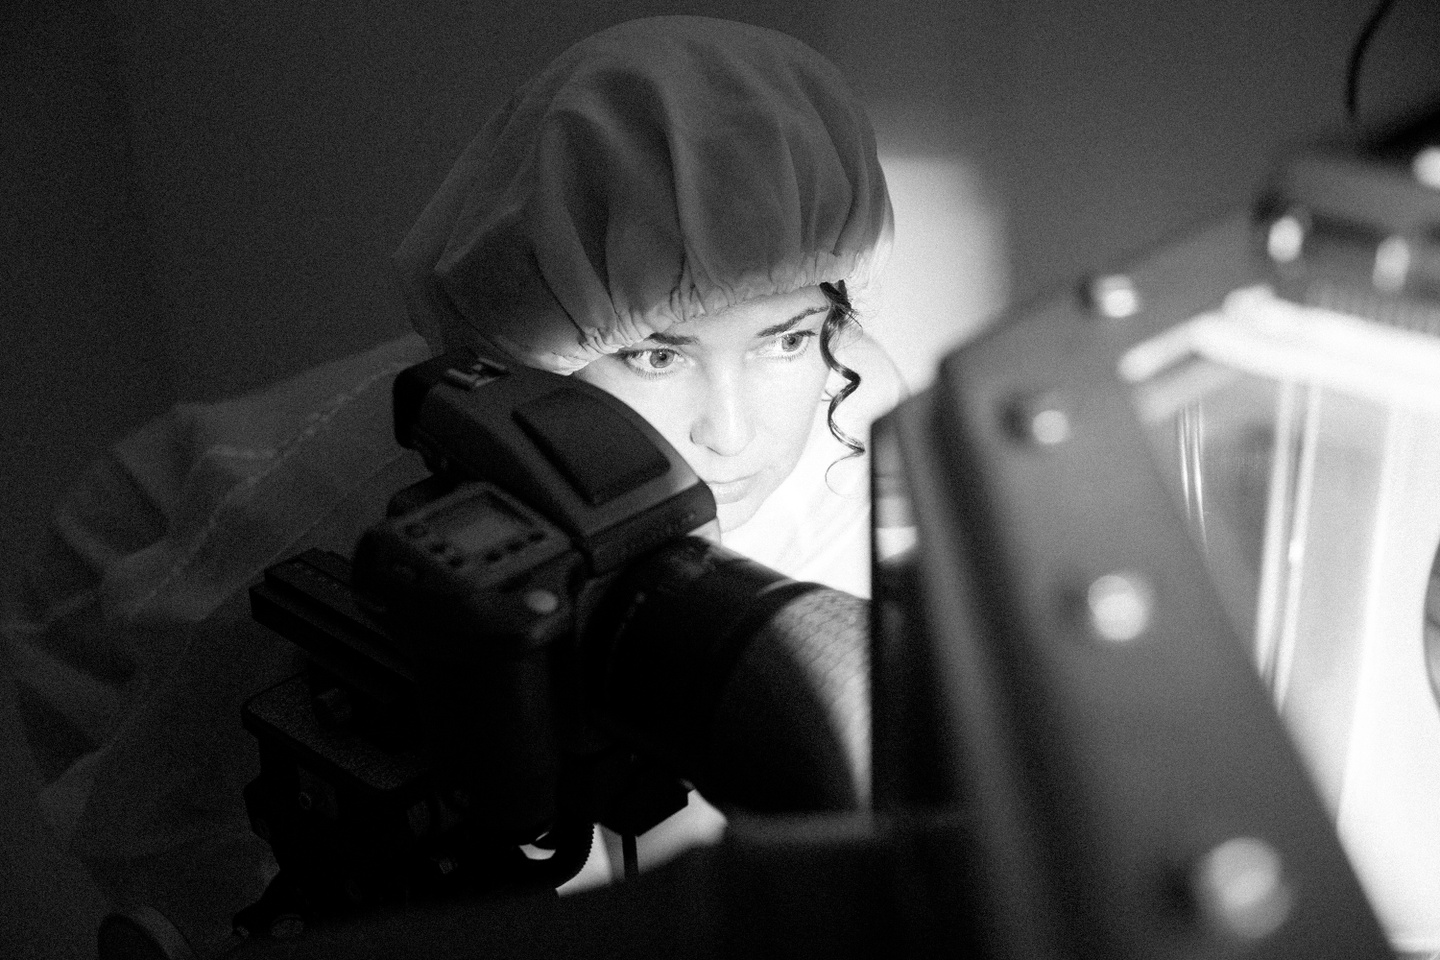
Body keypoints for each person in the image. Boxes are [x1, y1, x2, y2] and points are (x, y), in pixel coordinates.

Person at [0, 14, 900, 949]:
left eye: (785, 340)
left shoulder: (857, 401)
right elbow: (164, 803)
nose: (734, 430)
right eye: (654, 355)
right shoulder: (373, 507)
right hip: (123, 598)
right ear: (533, 363)